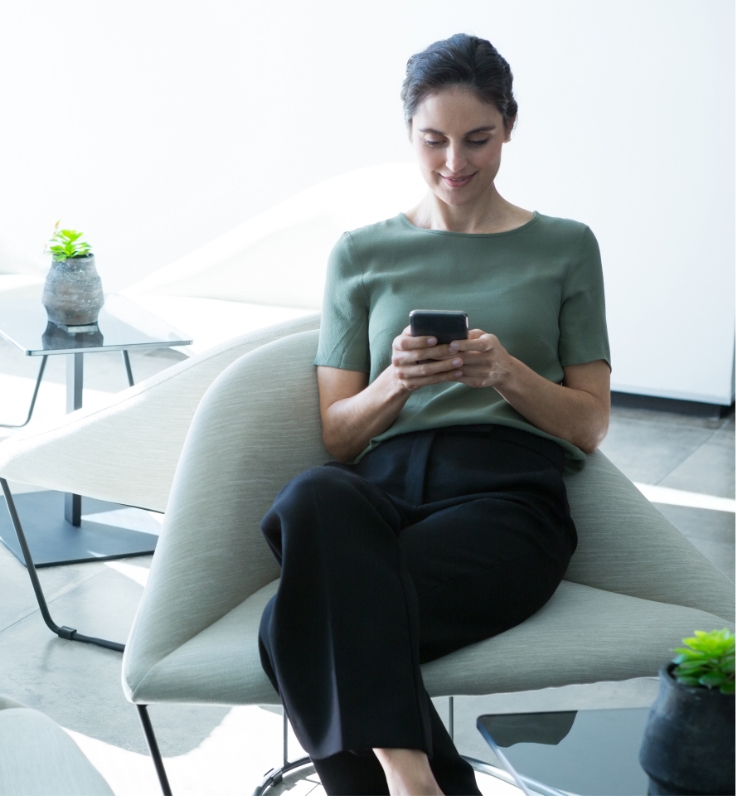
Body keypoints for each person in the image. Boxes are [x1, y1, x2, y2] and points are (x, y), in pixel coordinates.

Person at [257, 33, 611, 796]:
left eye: (478, 139)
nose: (456, 162)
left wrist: (509, 374)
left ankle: (404, 780)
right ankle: (413, 778)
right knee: (313, 491)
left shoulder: (568, 248)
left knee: (292, 626)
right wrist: (393, 385)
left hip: (507, 500)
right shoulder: (360, 253)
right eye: (434, 140)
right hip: (380, 492)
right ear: (409, 136)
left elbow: (589, 424)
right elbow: (339, 434)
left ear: (509, 128)